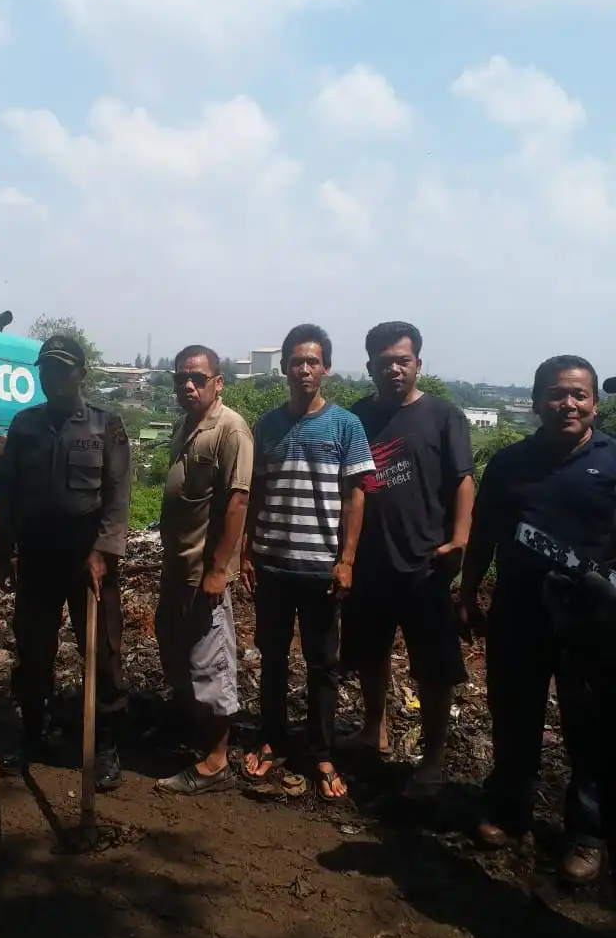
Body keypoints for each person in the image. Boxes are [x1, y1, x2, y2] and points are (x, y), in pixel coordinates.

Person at [459, 355, 616, 885]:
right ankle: (509, 809)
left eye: (577, 394)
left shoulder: (613, 462)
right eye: (555, 394)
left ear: (595, 402)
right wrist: (469, 592)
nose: (566, 404)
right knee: (514, 715)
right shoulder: (509, 464)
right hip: (519, 613)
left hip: (590, 622)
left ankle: (586, 833)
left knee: (590, 729)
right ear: (536, 401)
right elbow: (483, 533)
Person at [339, 322, 474, 795]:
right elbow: (347, 487)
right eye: (383, 361)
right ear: (370, 365)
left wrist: (459, 540)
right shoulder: (355, 418)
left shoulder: (443, 416)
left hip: (425, 564)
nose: (393, 368)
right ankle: (373, 727)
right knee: (368, 653)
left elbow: (462, 480)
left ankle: (432, 758)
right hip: (369, 562)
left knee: (434, 667)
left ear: (418, 363)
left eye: (403, 360)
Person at [241, 324, 374, 800]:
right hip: (273, 565)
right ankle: (272, 737)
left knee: (323, 665)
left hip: (321, 567)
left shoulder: (346, 426)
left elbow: (356, 495)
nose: (304, 369)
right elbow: (256, 490)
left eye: (312, 361)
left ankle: (321, 750)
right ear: (283, 368)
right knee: (273, 658)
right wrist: (246, 551)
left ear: (327, 369)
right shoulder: (268, 425)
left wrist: (347, 560)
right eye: (296, 361)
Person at [0, 336, 130, 792]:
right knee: (33, 649)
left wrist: (102, 552)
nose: (53, 377)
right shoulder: (24, 424)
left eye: (63, 369)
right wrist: (2, 550)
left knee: (101, 652)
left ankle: (106, 743)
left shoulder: (105, 425)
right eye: (46, 369)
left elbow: (117, 497)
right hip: (36, 552)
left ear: (81, 374)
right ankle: (34, 731)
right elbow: (8, 491)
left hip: (88, 554)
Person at [152, 345, 253, 795]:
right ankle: (193, 737)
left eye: (197, 378)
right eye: (180, 379)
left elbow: (237, 502)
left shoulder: (230, 429)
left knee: (210, 664)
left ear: (218, 382)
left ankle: (216, 763)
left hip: (203, 573)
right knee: (177, 654)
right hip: (176, 567)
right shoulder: (184, 425)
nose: (187, 386)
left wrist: (219, 570)